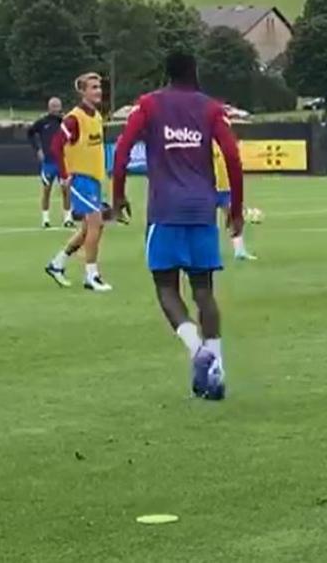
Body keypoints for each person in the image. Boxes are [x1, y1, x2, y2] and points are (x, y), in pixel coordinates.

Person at [112, 52, 244, 400]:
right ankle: (216, 369)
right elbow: (232, 156)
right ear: (195, 72)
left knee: (166, 287)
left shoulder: (149, 105)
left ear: (166, 74)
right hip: (201, 210)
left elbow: (123, 147)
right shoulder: (211, 108)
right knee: (204, 290)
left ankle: (197, 349)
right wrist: (236, 207)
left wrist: (118, 194)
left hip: (165, 211)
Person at [44, 73, 113, 292]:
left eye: (99, 86)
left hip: (94, 179)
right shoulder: (74, 118)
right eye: (93, 87)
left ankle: (57, 264)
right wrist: (65, 175)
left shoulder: (97, 116)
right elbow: (57, 146)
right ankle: (91, 275)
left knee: (86, 229)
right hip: (81, 179)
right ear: (82, 92)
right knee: (96, 224)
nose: (98, 91)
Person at [213, 114, 256, 261]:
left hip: (225, 187)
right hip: (209, 188)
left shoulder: (227, 143)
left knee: (232, 218)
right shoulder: (207, 142)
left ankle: (239, 250)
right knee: (207, 222)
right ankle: (210, 252)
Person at [27, 97, 73, 228]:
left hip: (63, 161)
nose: (55, 109)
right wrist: (38, 149)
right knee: (47, 190)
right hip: (48, 162)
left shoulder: (65, 122)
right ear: (49, 107)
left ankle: (67, 218)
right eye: (53, 106)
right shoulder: (42, 122)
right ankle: (45, 219)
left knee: (66, 190)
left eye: (57, 106)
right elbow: (30, 133)